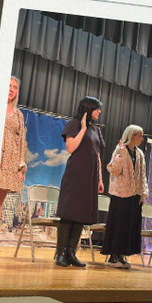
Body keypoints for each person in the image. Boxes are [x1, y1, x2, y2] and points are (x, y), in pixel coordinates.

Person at [55, 96, 104, 268]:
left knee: (80, 215)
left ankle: (71, 253)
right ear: (88, 109)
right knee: (69, 213)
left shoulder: (96, 130)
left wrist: (100, 178)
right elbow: (70, 148)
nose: (99, 111)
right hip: (75, 174)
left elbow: (98, 155)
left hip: (90, 177)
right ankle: (61, 253)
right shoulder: (75, 124)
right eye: (97, 108)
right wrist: (83, 129)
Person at [101, 126, 148, 270]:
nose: (142, 138)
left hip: (134, 194)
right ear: (132, 135)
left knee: (129, 226)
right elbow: (113, 169)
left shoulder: (139, 153)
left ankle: (121, 255)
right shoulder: (120, 149)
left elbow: (142, 175)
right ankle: (113, 256)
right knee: (119, 225)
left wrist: (143, 194)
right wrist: (120, 155)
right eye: (140, 135)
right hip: (121, 194)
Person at [0, 76, 26, 263]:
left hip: (8, 163)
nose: (11, 89)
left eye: (15, 87)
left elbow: (21, 142)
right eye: (8, 85)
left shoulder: (18, 115)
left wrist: (20, 168)